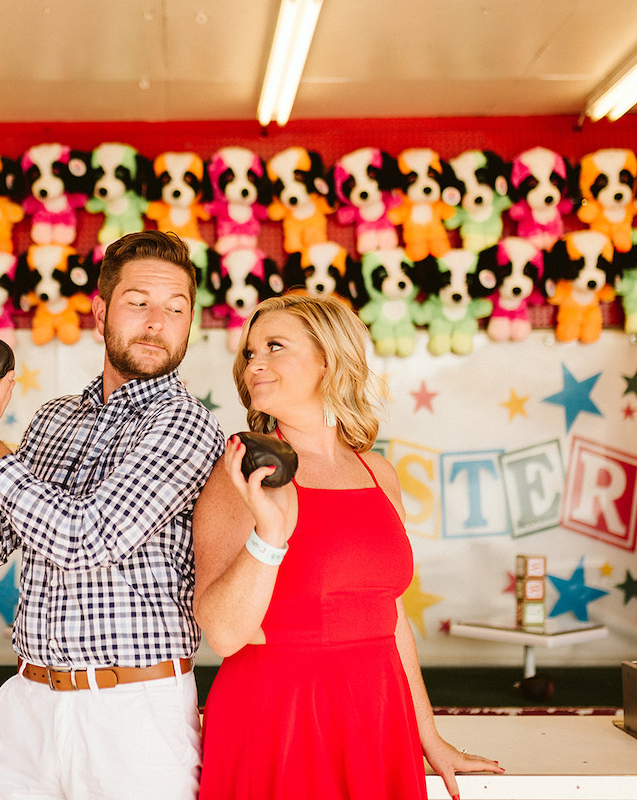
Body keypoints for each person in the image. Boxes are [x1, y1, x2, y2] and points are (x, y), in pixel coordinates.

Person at [0, 229, 225, 800]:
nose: (157, 322)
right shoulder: (53, 418)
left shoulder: (186, 424)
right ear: (101, 313)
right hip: (29, 706)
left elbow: (83, 538)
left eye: (176, 307)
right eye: (139, 303)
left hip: (135, 714)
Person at [193, 294, 503, 800]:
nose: (255, 363)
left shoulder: (378, 472)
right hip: (279, 717)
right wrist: (269, 534)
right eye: (250, 352)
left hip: (379, 711)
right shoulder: (243, 473)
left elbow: (391, 615)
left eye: (274, 346)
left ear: (328, 360)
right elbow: (225, 635)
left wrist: (430, 738)